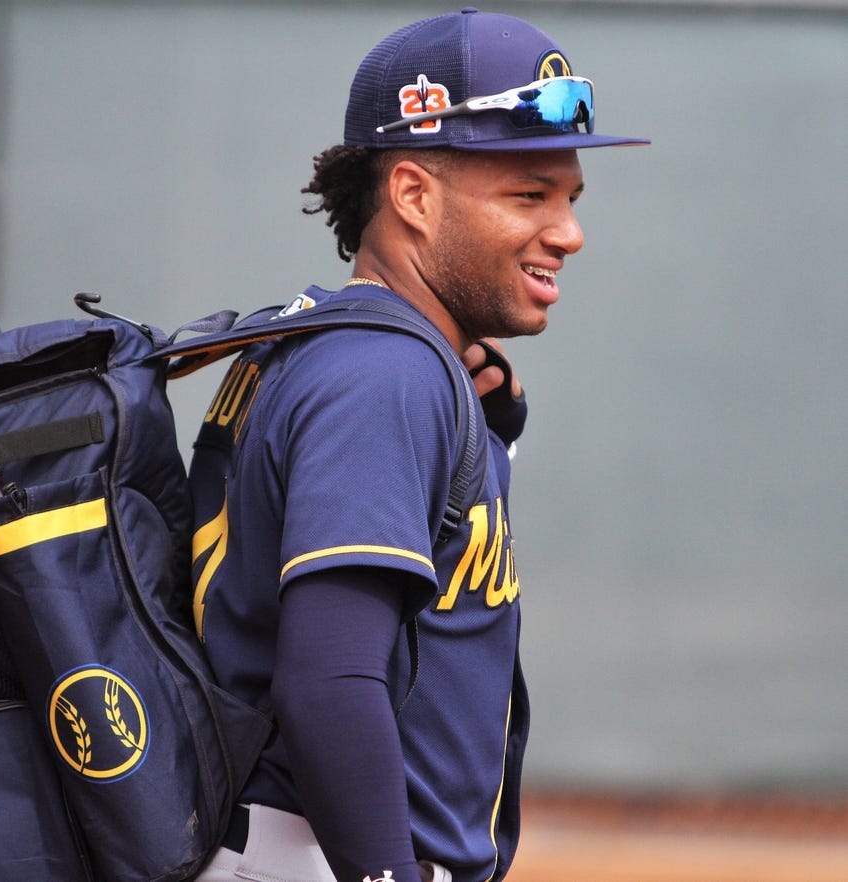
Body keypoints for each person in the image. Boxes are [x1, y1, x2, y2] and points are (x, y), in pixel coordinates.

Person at [190, 8, 648, 882]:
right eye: (530, 195)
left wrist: (484, 435)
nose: (568, 232)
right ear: (413, 195)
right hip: (323, 859)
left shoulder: (343, 348)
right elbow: (329, 682)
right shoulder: (382, 378)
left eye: (570, 198)